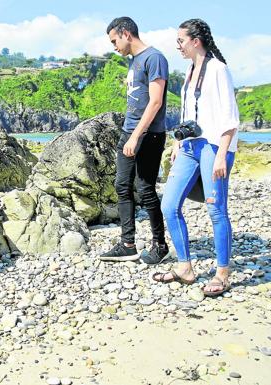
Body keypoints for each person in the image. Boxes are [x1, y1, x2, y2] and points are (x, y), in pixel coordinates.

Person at [153, 19, 239, 297]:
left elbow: (229, 117)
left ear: (195, 41)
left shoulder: (218, 69)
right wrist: (179, 141)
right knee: (169, 205)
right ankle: (185, 268)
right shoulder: (190, 71)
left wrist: (222, 155)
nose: (177, 46)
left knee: (216, 209)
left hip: (214, 146)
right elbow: (190, 113)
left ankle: (223, 273)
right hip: (189, 146)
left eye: (180, 40)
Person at [100, 17, 170, 263]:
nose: (114, 46)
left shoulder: (155, 58)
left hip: (148, 135)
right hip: (128, 132)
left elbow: (156, 102)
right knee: (121, 185)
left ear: (126, 33)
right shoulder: (134, 61)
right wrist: (128, 134)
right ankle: (127, 243)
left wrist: (136, 136)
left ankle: (159, 244)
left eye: (114, 41)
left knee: (145, 190)